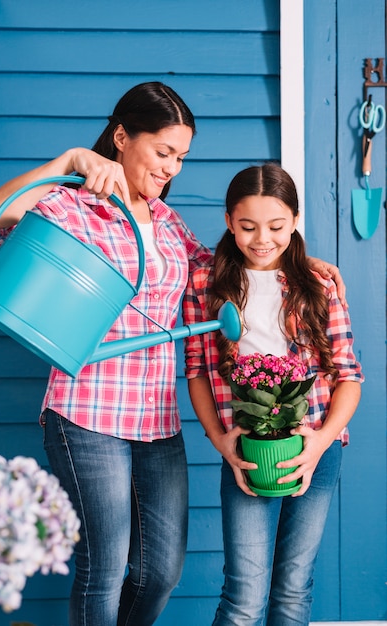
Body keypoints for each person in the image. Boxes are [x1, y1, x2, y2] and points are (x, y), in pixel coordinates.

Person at [0, 83, 346, 626]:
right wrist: (71, 160)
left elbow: (232, 264)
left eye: (181, 158)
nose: (171, 167)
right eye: (163, 152)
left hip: (154, 419)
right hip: (87, 413)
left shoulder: (167, 223)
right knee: (104, 567)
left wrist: (307, 264)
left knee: (160, 570)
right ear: (122, 136)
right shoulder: (72, 203)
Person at [183, 163, 363, 626]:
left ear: (295, 220)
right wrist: (220, 441)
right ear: (228, 221)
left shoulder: (319, 286)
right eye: (247, 226)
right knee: (244, 594)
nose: (262, 238)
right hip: (245, 449)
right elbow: (199, 371)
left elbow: (348, 376)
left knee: (293, 587)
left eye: (277, 226)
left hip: (317, 451)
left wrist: (319, 442)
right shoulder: (204, 284)